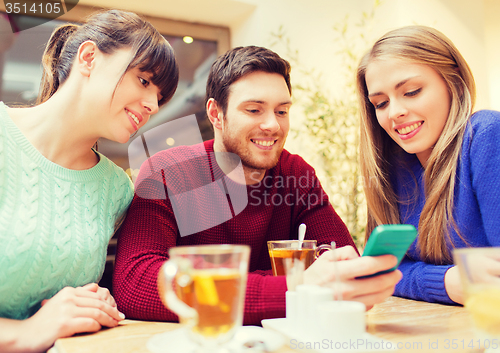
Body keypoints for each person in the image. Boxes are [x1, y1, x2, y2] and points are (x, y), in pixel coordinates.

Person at [113, 45, 401, 325]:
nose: (273, 126)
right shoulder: (168, 172)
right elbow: (137, 282)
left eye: (281, 111)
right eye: (253, 110)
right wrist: (294, 288)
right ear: (216, 114)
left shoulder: (295, 174)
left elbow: (339, 261)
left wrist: (333, 277)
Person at [0, 9, 179, 352]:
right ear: (89, 57)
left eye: (160, 96)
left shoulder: (116, 189)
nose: (154, 105)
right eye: (144, 80)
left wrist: (93, 304)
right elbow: (41, 324)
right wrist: (27, 332)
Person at [356, 25, 500, 306]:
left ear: (453, 82)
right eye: (381, 103)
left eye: (411, 91)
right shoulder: (393, 167)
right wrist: (448, 282)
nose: (394, 112)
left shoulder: (486, 135)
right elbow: (380, 270)